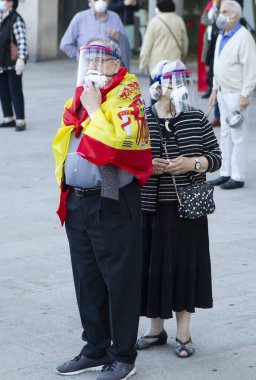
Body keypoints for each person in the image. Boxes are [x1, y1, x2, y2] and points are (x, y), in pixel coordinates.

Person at [52, 38, 152, 380]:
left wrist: (95, 109)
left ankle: (123, 356)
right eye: (87, 59)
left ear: (115, 64)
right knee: (87, 279)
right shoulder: (83, 95)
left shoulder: (128, 96)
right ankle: (94, 347)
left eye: (100, 59)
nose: (92, 65)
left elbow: (116, 146)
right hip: (78, 201)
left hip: (112, 202)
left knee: (119, 281)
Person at [136, 60, 222, 359]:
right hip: (151, 206)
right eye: (173, 81)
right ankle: (155, 329)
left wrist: (192, 164)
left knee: (186, 264)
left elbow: (215, 157)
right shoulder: (142, 118)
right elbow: (129, 161)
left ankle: (183, 334)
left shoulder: (196, 117)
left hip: (188, 207)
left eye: (182, 80)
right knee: (152, 264)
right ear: (157, 86)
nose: (179, 87)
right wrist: (149, 167)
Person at [208, 0, 256, 190]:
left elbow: (252, 69)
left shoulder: (243, 36)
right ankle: (225, 172)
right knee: (225, 135)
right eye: (220, 11)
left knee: (238, 135)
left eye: (224, 11)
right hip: (223, 92)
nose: (220, 15)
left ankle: (238, 176)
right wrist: (214, 89)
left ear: (235, 16)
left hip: (237, 94)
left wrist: (245, 94)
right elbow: (217, 65)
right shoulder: (222, 34)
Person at [60, 0, 131, 70]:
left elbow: (126, 44)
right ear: (89, 1)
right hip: (87, 71)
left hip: (110, 71)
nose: (100, 2)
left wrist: (118, 36)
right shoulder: (80, 18)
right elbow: (65, 44)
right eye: (96, 0)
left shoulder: (115, 17)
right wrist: (82, 56)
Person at [139, 0, 188, 76]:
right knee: (173, 86)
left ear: (158, 7)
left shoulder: (154, 22)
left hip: (157, 66)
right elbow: (185, 43)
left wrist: (142, 64)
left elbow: (147, 45)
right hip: (174, 63)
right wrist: (183, 56)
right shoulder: (179, 20)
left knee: (156, 87)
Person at [0, 0, 28, 131]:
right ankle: (8, 118)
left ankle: (20, 120)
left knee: (15, 90)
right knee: (3, 91)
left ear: (11, 3)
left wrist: (21, 59)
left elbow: (22, 41)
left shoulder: (16, 18)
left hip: (13, 62)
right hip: (1, 62)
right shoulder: (1, 17)